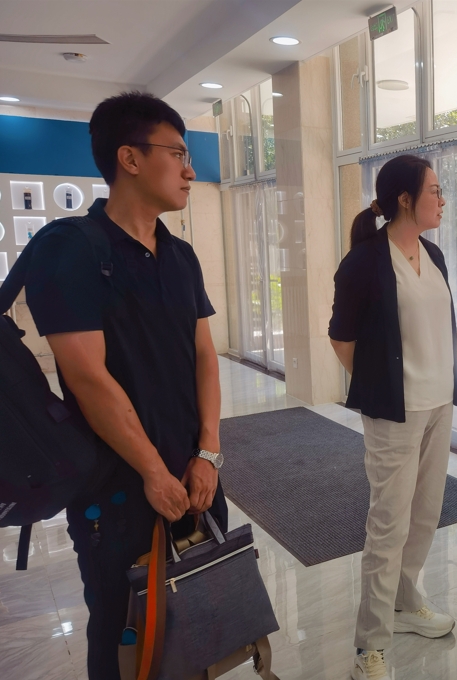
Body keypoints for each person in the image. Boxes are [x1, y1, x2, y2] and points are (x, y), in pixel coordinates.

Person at [23, 92, 227, 678]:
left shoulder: (181, 255)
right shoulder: (70, 248)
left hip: (194, 473)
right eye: (178, 154)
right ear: (130, 158)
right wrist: (152, 472)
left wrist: (208, 453)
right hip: (117, 487)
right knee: (123, 629)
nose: (190, 171)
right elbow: (88, 376)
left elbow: (204, 356)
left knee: (197, 614)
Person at [329, 154, 457, 680]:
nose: (442, 200)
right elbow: (342, 339)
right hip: (395, 412)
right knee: (388, 525)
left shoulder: (433, 254)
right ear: (405, 199)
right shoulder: (363, 261)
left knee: (426, 513)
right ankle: (371, 643)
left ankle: (407, 602)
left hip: (438, 403)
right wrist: (379, 385)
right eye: (434, 190)